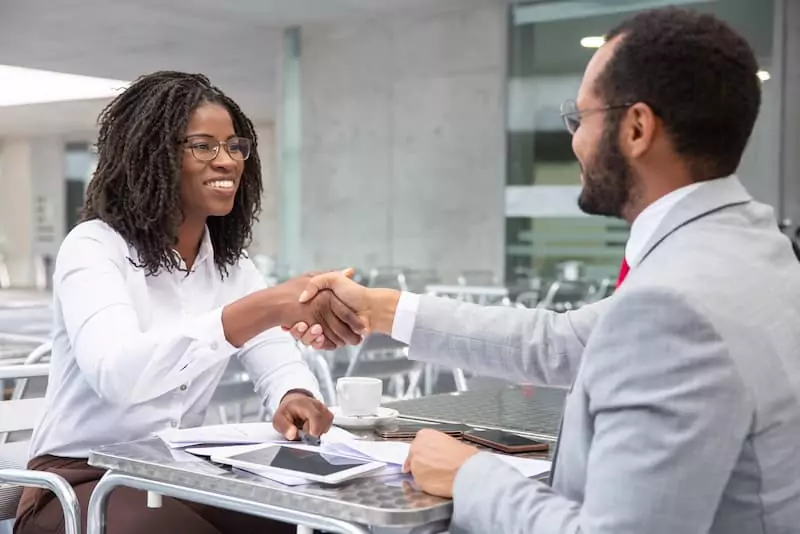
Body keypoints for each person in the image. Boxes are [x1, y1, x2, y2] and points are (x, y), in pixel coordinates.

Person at [289, 8, 800, 534]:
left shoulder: (672, 306)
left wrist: (470, 475)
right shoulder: (760, 251)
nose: (573, 140)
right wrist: (380, 309)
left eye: (581, 119)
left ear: (637, 128)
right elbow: (559, 341)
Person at [15, 71, 363, 534]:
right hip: (81, 482)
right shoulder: (94, 247)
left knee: (309, 521)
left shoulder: (232, 267)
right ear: (152, 157)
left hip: (177, 472)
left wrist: (293, 395)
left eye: (235, 147)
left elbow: (276, 360)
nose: (227, 161)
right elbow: (118, 374)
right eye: (203, 146)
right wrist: (261, 309)